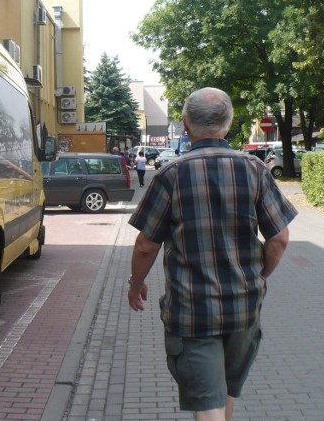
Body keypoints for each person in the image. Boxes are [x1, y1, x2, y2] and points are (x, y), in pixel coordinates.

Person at [127, 87, 297, 421]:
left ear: (186, 125)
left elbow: (147, 245)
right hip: (244, 311)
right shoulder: (255, 170)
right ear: (229, 124)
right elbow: (279, 239)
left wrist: (136, 284)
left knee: (208, 403)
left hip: (192, 314)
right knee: (225, 393)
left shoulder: (170, 175)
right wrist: (258, 277)